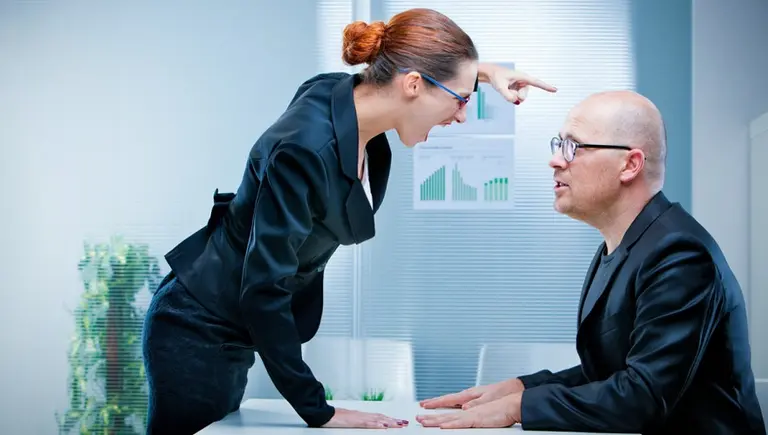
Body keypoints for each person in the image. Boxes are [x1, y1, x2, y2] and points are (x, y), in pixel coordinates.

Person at [141, 7, 557, 435]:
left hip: (234, 325)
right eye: (462, 99)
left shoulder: (339, 97)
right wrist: (318, 409)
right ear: (413, 84)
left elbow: (417, 72)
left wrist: (481, 73)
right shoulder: (303, 150)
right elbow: (263, 288)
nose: (462, 115)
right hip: (198, 327)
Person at [416, 90, 766, 434]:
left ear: (630, 165)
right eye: (558, 145)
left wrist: (518, 408)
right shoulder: (624, 245)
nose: (555, 160)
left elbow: (642, 397)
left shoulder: (679, 254)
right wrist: (521, 388)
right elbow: (610, 373)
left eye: (574, 146)